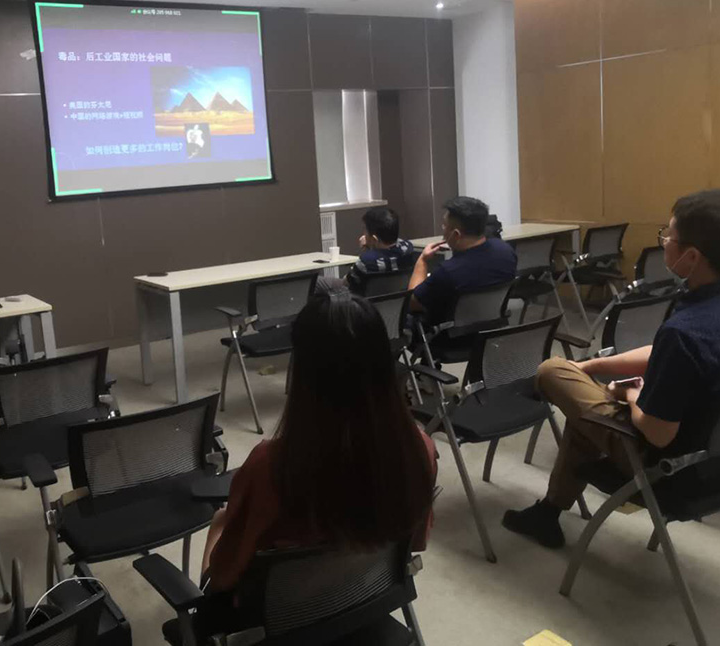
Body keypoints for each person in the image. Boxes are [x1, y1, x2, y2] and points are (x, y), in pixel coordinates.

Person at [503, 188, 720, 549]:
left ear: (692, 257)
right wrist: (590, 365)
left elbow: (658, 433)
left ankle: (547, 509)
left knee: (551, 370)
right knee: (582, 405)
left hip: (672, 466)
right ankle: (547, 513)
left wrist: (631, 395)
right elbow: (672, 353)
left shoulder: (686, 332)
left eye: (668, 236)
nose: (663, 242)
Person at [200, 291, 437, 615]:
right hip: (362, 603)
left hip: (280, 622)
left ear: (303, 372)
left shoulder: (271, 467)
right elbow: (417, 542)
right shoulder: (418, 448)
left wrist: (219, 526)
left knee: (219, 521)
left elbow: (223, 577)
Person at [408, 196, 517, 323]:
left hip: (450, 332)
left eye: (444, 226)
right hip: (492, 326)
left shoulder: (447, 272)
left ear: (456, 234)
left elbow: (412, 303)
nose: (443, 229)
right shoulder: (506, 251)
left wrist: (422, 260)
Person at [344, 206, 415, 294]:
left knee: (328, 283)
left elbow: (347, 283)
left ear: (374, 239)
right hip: (398, 300)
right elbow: (397, 242)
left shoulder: (366, 261)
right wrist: (372, 244)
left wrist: (367, 248)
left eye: (365, 230)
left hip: (365, 301)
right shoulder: (408, 249)